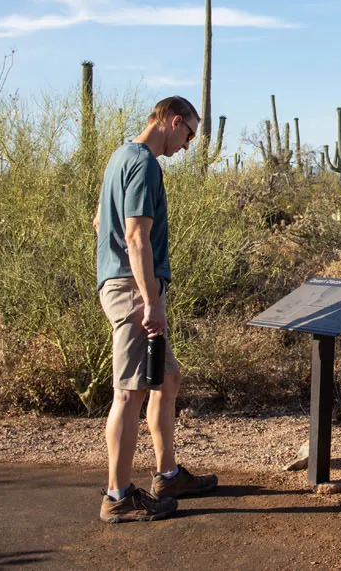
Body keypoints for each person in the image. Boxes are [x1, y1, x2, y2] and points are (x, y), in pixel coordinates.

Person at [92, 96, 217, 523]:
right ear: (174, 120)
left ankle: (167, 474)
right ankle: (117, 496)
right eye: (189, 135)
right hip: (133, 289)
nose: (186, 146)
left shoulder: (120, 157)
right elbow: (136, 238)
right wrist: (150, 301)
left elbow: (100, 220)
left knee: (167, 376)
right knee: (129, 393)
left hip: (129, 284)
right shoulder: (144, 163)